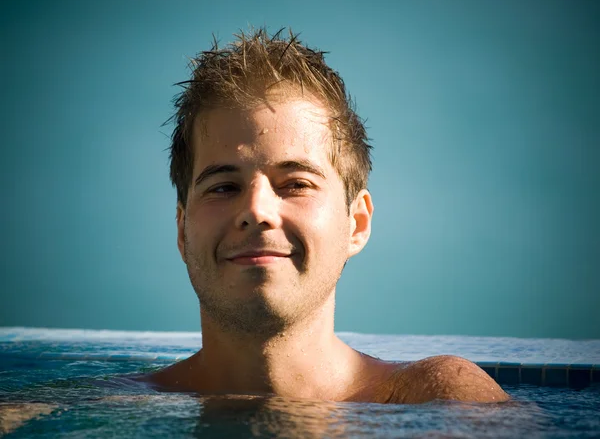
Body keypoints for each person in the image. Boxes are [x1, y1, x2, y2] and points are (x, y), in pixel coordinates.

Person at [143, 27, 509, 404]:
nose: (256, 211)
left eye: (295, 184)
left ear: (357, 224)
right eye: (223, 187)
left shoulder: (442, 398)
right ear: (182, 231)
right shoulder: (111, 411)